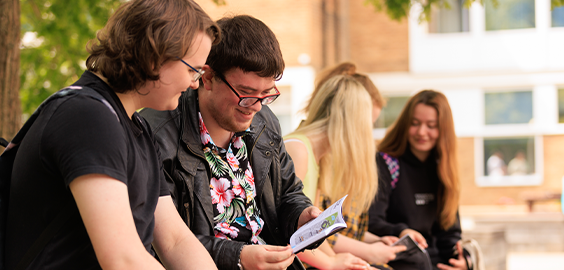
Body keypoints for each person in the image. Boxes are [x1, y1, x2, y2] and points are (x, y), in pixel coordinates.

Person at [5, 0, 220, 269]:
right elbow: (122, 259)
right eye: (192, 69)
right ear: (155, 56)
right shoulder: (87, 118)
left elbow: (175, 241)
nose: (195, 82)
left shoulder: (137, 129)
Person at [140, 15, 320, 270]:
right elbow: (165, 241)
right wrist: (237, 256)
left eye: (266, 94)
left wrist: (303, 216)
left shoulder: (265, 122)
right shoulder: (157, 134)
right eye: (246, 94)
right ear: (208, 77)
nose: (255, 107)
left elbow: (288, 194)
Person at [284, 63, 405, 270]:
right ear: (352, 120)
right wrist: (332, 263)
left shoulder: (318, 157)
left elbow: (315, 234)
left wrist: (348, 261)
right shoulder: (298, 150)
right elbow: (288, 233)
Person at [368, 90, 468, 270]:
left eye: (431, 125)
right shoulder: (386, 163)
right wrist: (401, 231)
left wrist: (462, 261)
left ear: (443, 129)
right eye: (415, 124)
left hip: (436, 263)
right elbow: (371, 221)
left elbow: (450, 233)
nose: (422, 132)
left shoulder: (444, 169)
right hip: (400, 261)